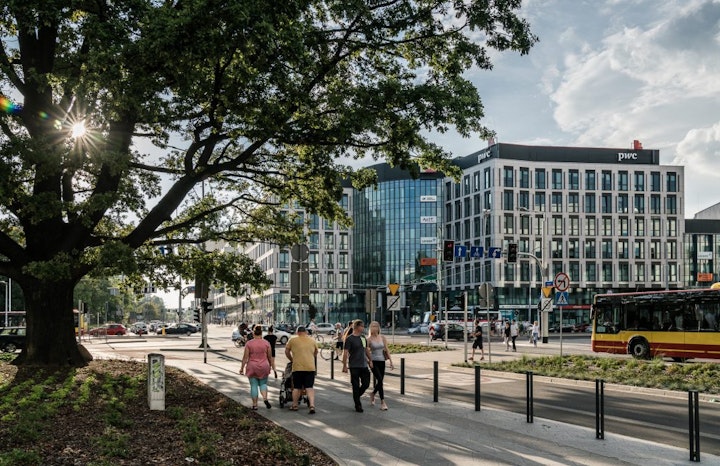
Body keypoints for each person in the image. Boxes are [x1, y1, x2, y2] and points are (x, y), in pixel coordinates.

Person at [284, 326, 318, 414]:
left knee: (297, 387)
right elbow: (315, 353)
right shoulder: (312, 340)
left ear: (297, 332)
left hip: (297, 367)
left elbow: (287, 351)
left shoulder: (292, 340)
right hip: (310, 367)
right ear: (306, 332)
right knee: (309, 387)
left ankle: (295, 405)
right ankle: (312, 405)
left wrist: (291, 359)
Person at [342, 319, 372, 413]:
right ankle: (358, 405)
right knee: (355, 385)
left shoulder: (363, 337)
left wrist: (370, 360)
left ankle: (356, 396)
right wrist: (344, 365)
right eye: (362, 326)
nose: (363, 328)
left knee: (366, 383)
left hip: (363, 365)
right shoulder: (349, 339)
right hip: (354, 366)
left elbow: (366, 350)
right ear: (357, 327)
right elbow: (345, 353)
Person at [240, 325, 273, 410]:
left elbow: (245, 357)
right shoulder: (266, 343)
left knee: (253, 385)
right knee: (263, 384)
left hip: (252, 366)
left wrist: (242, 368)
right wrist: (271, 366)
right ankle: (265, 398)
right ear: (261, 334)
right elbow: (270, 357)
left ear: (253, 333)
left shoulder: (249, 343)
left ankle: (255, 405)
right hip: (264, 366)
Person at [368, 321, 393, 410]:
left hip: (382, 361)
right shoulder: (369, 339)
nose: (374, 328)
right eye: (372, 326)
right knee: (380, 380)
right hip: (373, 362)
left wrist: (391, 361)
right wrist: (369, 361)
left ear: (378, 328)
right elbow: (367, 351)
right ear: (370, 328)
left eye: (376, 326)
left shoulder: (382, 337)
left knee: (380, 380)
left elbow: (386, 349)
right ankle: (382, 402)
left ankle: (373, 393)